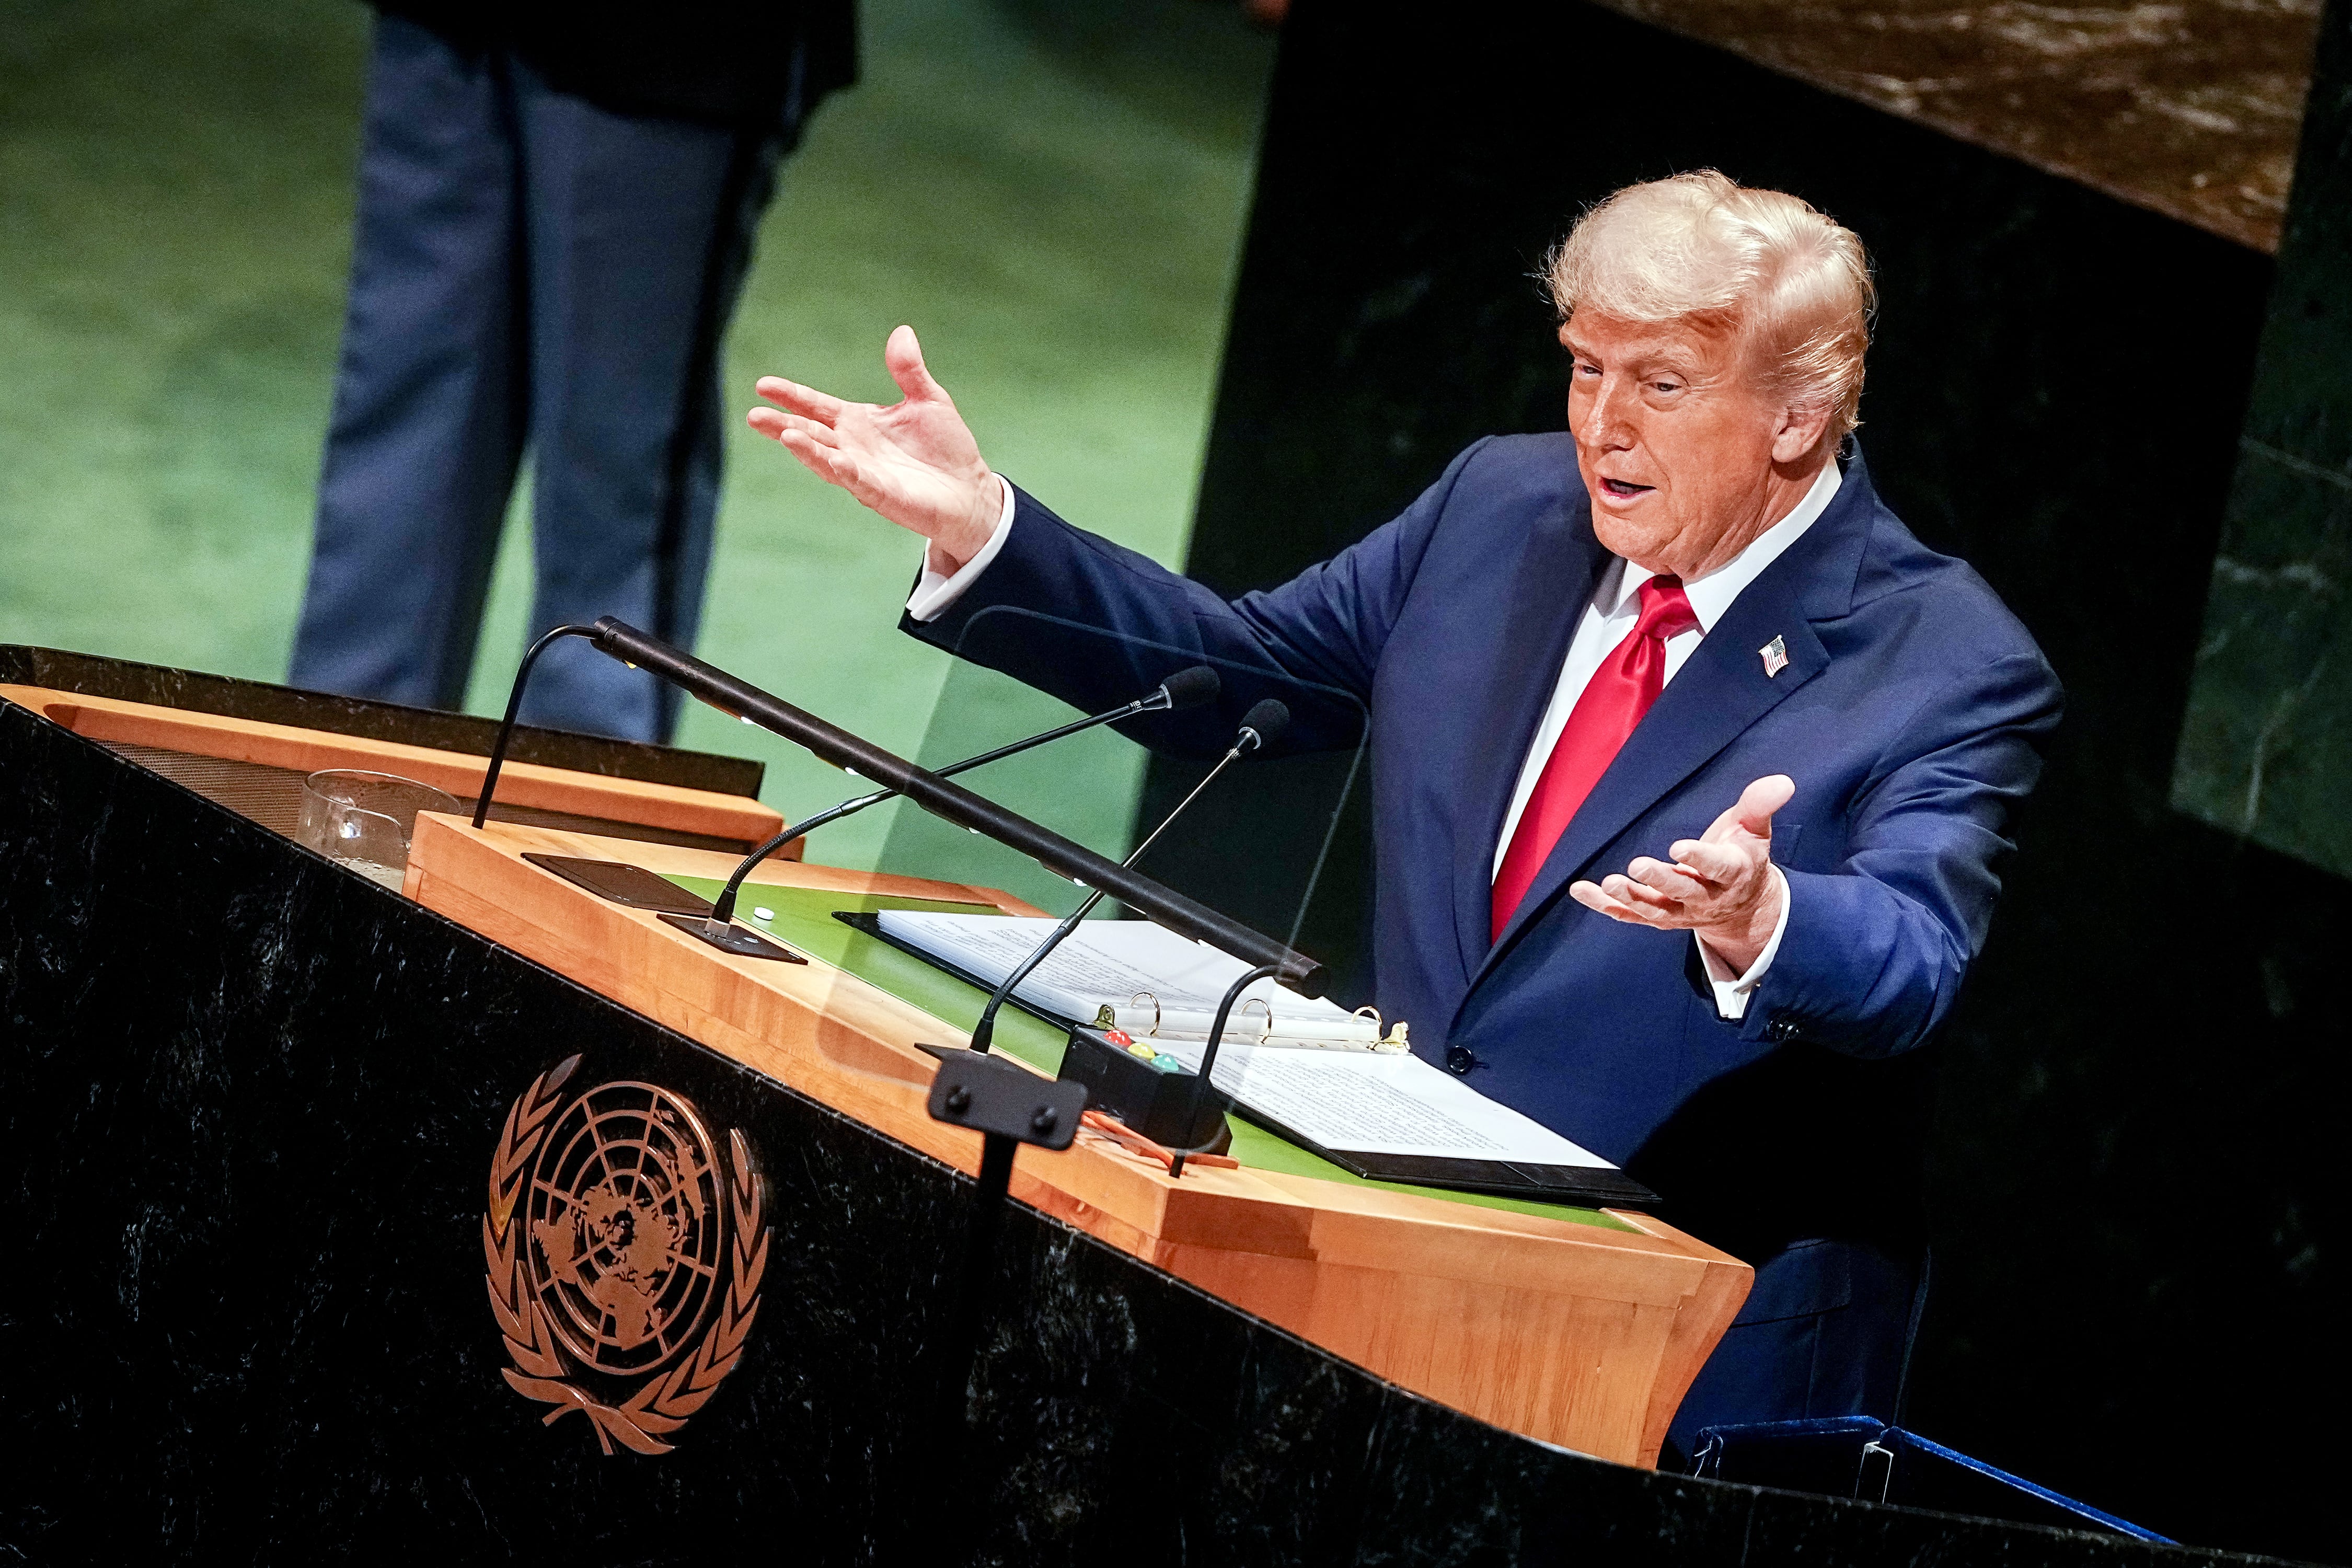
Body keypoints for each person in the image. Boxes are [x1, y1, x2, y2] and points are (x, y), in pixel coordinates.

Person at [746, 172, 2062, 1452]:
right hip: (1381, 1250)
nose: (1602, 424)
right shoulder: (1502, 504)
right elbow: (1237, 678)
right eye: (1585, 365)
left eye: (1660, 383)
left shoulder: (1944, 662)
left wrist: (1764, 917)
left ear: (1798, 415)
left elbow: (1914, 959)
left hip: (1680, 1341)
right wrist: (987, 529)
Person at [289, 0, 856, 742]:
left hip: (670, 49)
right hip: (443, 26)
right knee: (404, 433)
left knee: (617, 470)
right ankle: (327, 796)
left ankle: (567, 833)